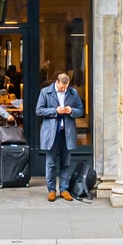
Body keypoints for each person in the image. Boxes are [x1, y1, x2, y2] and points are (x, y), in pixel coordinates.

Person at [35, 71, 84, 200]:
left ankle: (64, 189)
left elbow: (80, 109)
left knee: (66, 163)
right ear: (56, 82)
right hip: (52, 132)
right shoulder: (46, 92)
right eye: (62, 87)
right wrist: (55, 111)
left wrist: (71, 110)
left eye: (66, 87)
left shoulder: (72, 93)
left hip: (66, 132)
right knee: (51, 163)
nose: (64, 90)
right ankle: (51, 190)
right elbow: (39, 110)